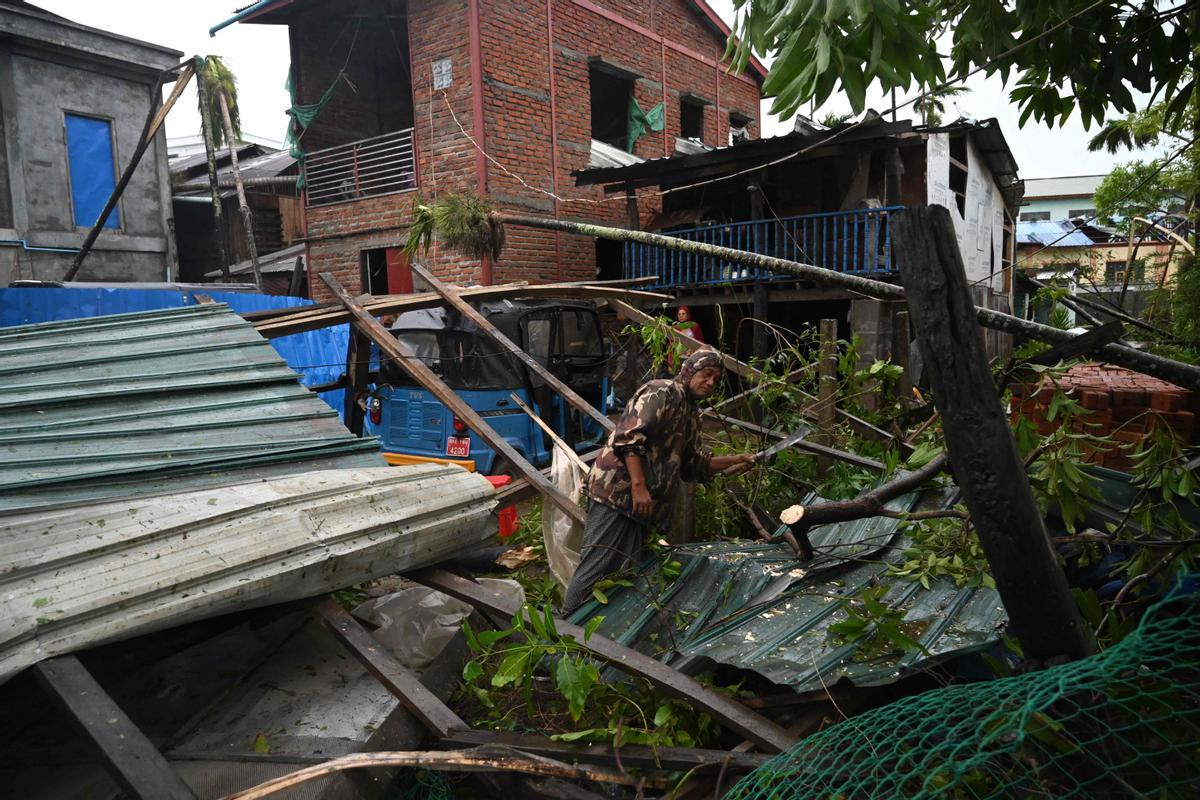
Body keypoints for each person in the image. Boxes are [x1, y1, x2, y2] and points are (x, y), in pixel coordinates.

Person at [562, 349, 755, 613]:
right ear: (689, 372)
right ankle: (565, 627)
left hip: (642, 506)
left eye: (716, 379)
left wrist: (734, 460)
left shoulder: (690, 413)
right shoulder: (661, 392)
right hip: (617, 493)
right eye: (706, 374)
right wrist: (639, 486)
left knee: (624, 573)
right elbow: (629, 437)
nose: (711, 382)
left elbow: (692, 465)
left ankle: (598, 633)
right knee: (597, 566)